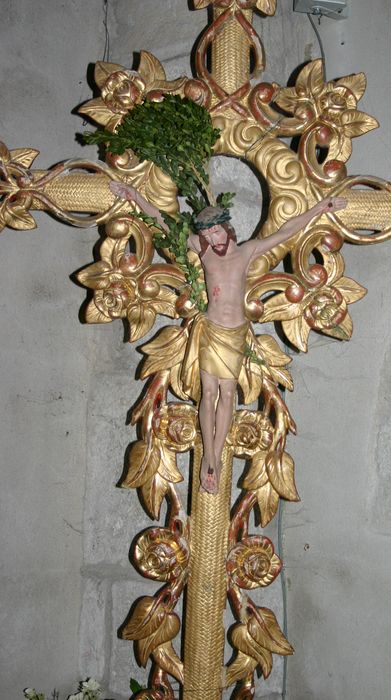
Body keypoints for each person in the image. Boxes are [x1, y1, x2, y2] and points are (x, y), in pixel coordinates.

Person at [109, 181, 346, 494]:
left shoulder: (246, 252)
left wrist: (320, 209)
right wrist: (135, 195)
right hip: (211, 330)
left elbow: (285, 232)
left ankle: (217, 452)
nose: (212, 240)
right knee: (209, 393)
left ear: (227, 229)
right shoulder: (205, 254)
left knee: (228, 392)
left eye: (215, 233)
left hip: (234, 334)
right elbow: (164, 222)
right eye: (207, 236)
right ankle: (210, 453)